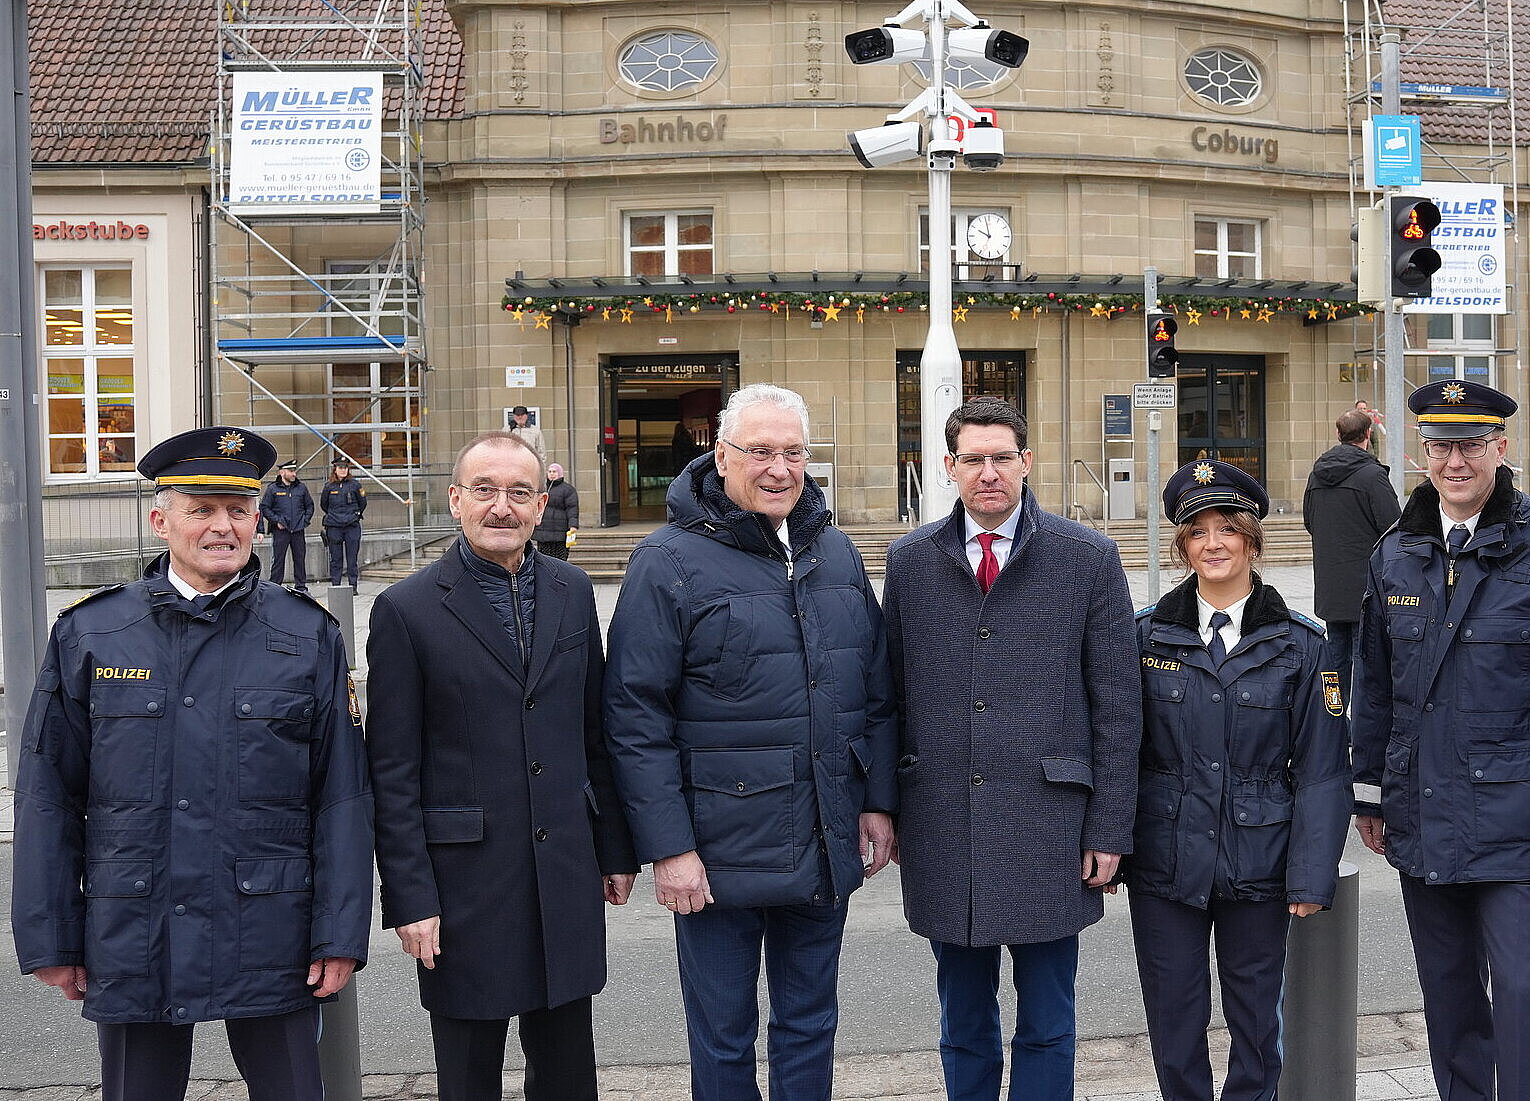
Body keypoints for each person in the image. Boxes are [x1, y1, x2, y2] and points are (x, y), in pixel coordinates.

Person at [11, 426, 372, 1101]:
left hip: (274, 926)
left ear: (258, 520)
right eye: (201, 509)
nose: (222, 526)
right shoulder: (92, 632)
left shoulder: (305, 636)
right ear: (161, 519)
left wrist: (340, 929)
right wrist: (50, 934)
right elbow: (48, 792)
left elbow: (342, 798)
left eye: (237, 509)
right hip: (133, 924)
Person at [604, 383, 897, 1100]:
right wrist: (668, 848)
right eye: (760, 451)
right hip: (714, 856)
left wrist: (877, 801)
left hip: (825, 839)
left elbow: (876, 691)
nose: (779, 468)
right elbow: (635, 714)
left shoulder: (836, 553)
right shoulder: (666, 560)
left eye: (793, 451)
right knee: (723, 1035)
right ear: (721, 455)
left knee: (809, 1025)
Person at [1351, 380, 1530, 1101]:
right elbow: (1375, 685)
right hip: (1423, 811)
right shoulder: (1395, 554)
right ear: (1421, 454)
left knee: (1526, 991)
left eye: (1471, 444)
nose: (1455, 461)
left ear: (1502, 447)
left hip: (1519, 820)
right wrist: (1370, 794)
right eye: (1440, 446)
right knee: (1449, 997)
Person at [366, 431, 640, 1101]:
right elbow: (393, 769)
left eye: (519, 492)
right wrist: (411, 896)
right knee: (469, 1075)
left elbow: (592, 731)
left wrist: (614, 850)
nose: (502, 506)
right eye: (484, 490)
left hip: (563, 874)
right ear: (456, 500)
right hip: (463, 886)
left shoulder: (575, 592)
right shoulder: (406, 609)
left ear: (541, 505)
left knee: (569, 1072)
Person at [881, 396, 1141, 1101]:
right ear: (947, 467)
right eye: (973, 459)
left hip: (1050, 828)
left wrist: (1110, 827)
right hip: (945, 826)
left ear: (1027, 462)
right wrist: (888, 806)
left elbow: (1118, 706)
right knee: (962, 1017)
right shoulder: (908, 563)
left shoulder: (1087, 558)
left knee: (1049, 1021)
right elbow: (891, 698)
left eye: (1003, 457)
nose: (989, 472)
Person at [1127, 459, 1352, 1101]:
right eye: (1198, 531)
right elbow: (1121, 753)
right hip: (1165, 863)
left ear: (1252, 539)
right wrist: (1111, 846)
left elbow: (1322, 770)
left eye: (1228, 528)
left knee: (1256, 1026)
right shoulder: (1146, 637)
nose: (1214, 543)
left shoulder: (1303, 646)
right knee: (1175, 1023)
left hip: (1260, 861)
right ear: (1183, 545)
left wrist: (1310, 873)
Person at [1303, 407, 1399, 688]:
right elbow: (1393, 526)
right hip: (1366, 584)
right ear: (1368, 435)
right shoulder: (1372, 475)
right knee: (1366, 660)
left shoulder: (1317, 474)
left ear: (1338, 434)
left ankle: (1333, 722)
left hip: (1330, 580)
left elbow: (1310, 521)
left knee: (1335, 657)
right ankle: (1359, 726)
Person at [259, 459, 314, 593]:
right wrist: (276, 521)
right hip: (281, 531)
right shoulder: (273, 488)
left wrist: (304, 521)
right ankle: (275, 587)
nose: (294, 474)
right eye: (291, 471)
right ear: (282, 472)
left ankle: (301, 587)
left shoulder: (301, 488)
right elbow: (265, 508)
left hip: (297, 530)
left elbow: (310, 506)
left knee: (300, 559)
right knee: (278, 560)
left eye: (294, 471)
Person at [320, 457, 367, 591]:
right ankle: (336, 586)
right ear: (335, 469)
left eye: (345, 468)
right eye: (340, 468)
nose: (343, 470)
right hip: (334, 526)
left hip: (351, 525)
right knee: (336, 558)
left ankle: (353, 586)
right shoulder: (328, 486)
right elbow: (324, 505)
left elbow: (363, 502)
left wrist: (355, 515)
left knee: (352, 559)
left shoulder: (355, 485)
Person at [536, 462, 580, 560]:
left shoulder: (568, 490)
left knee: (560, 558)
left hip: (560, 530)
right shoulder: (542, 488)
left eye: (554, 472)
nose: (552, 474)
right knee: (544, 558)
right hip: (544, 530)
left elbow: (572, 508)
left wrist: (573, 526)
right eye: (550, 471)